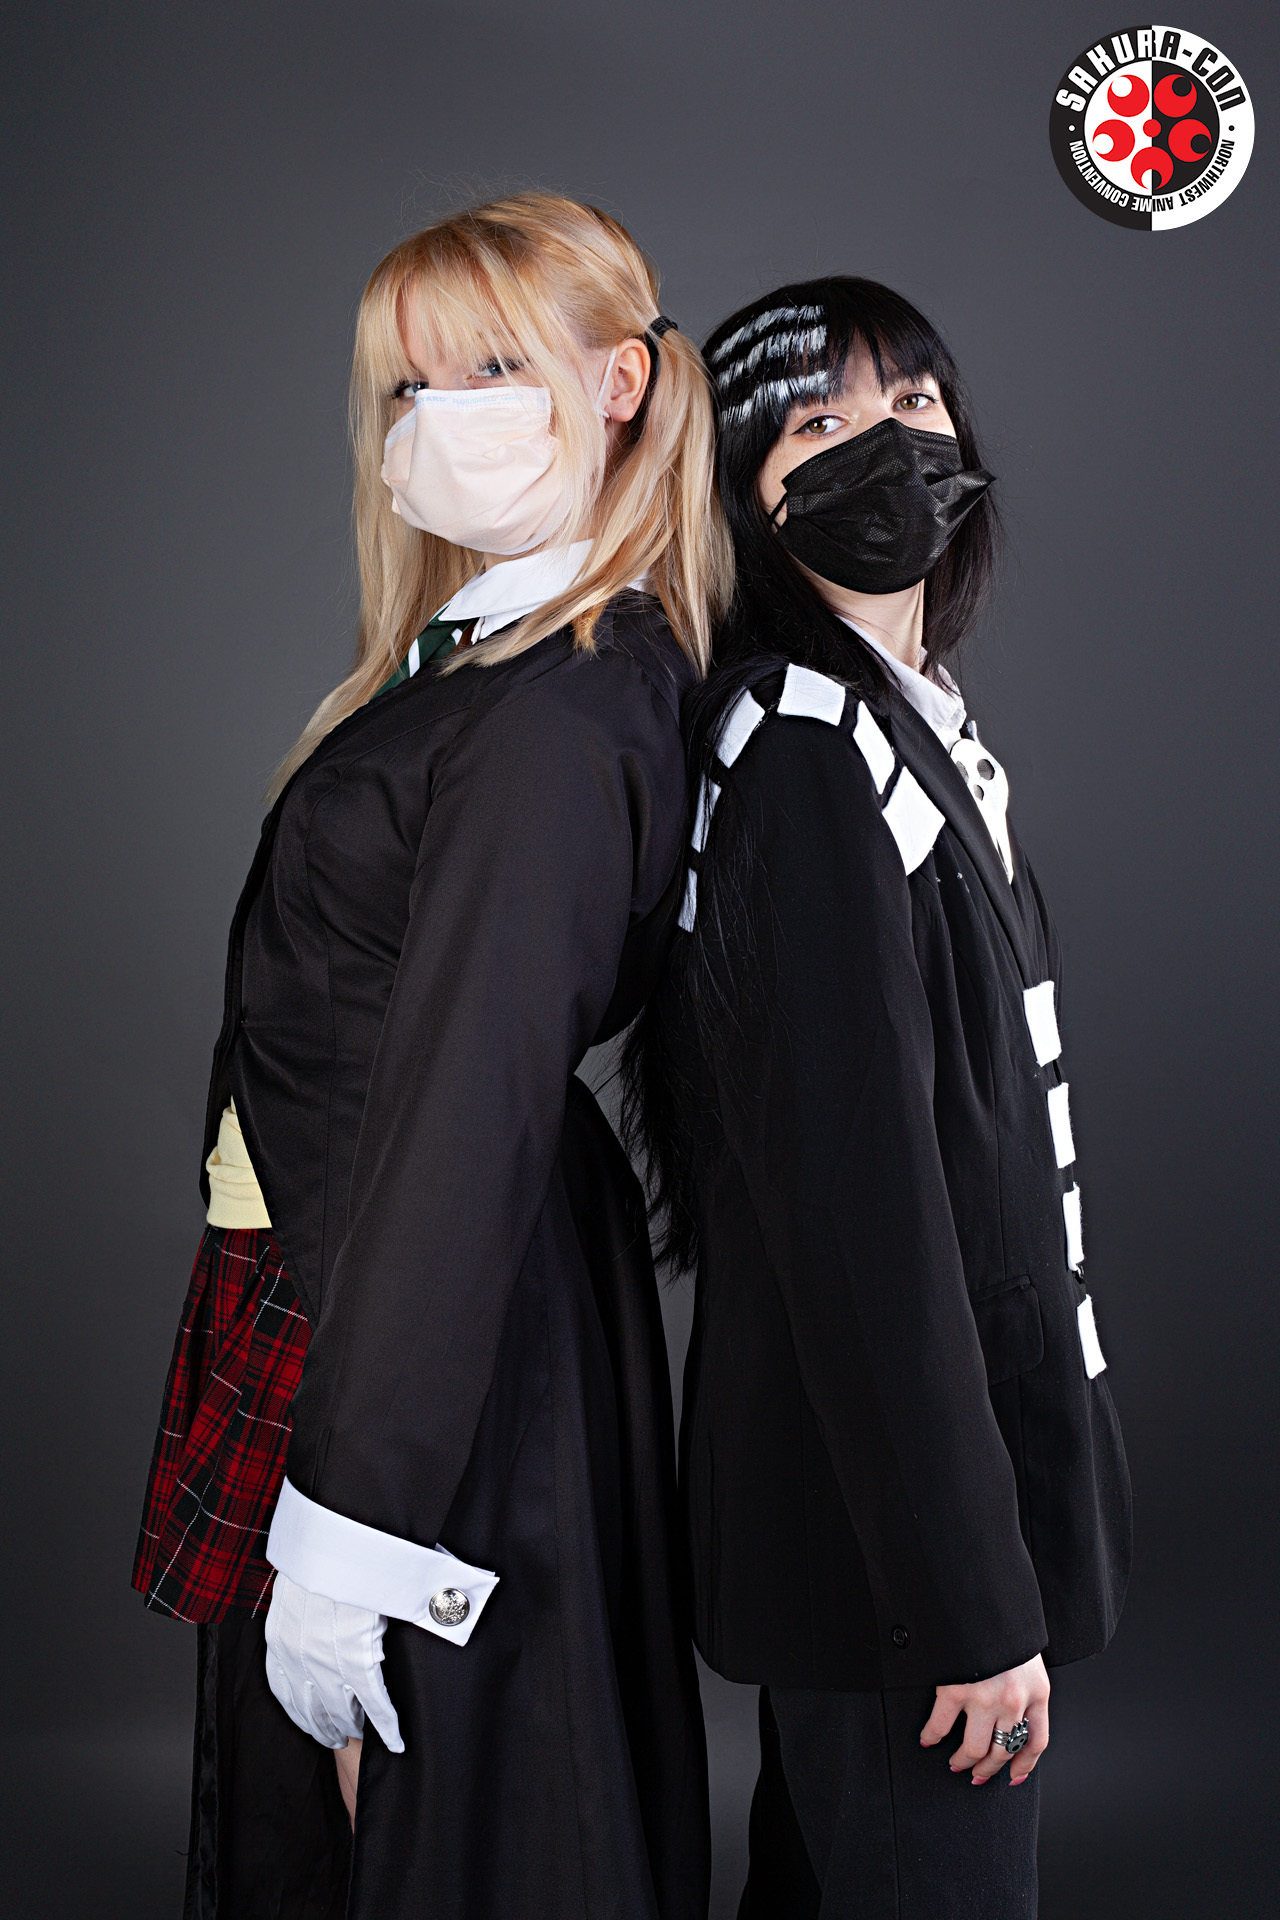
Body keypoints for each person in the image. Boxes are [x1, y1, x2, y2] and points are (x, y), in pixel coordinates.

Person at [134, 191, 732, 1920]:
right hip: (366, 1278)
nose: (434, 418)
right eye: (408, 385)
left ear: (617, 382)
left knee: (455, 1833)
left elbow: (464, 1114)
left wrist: (351, 1535)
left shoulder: (556, 708)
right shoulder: (488, 663)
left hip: (434, 1320)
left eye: (487, 369)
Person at [623, 277, 1131, 1918]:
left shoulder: (902, 724)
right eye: (819, 420)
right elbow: (865, 1227)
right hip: (890, 1566)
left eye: (913, 403)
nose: (888, 443)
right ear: (744, 489)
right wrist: (966, 1604)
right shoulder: (802, 749)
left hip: (894, 1534)